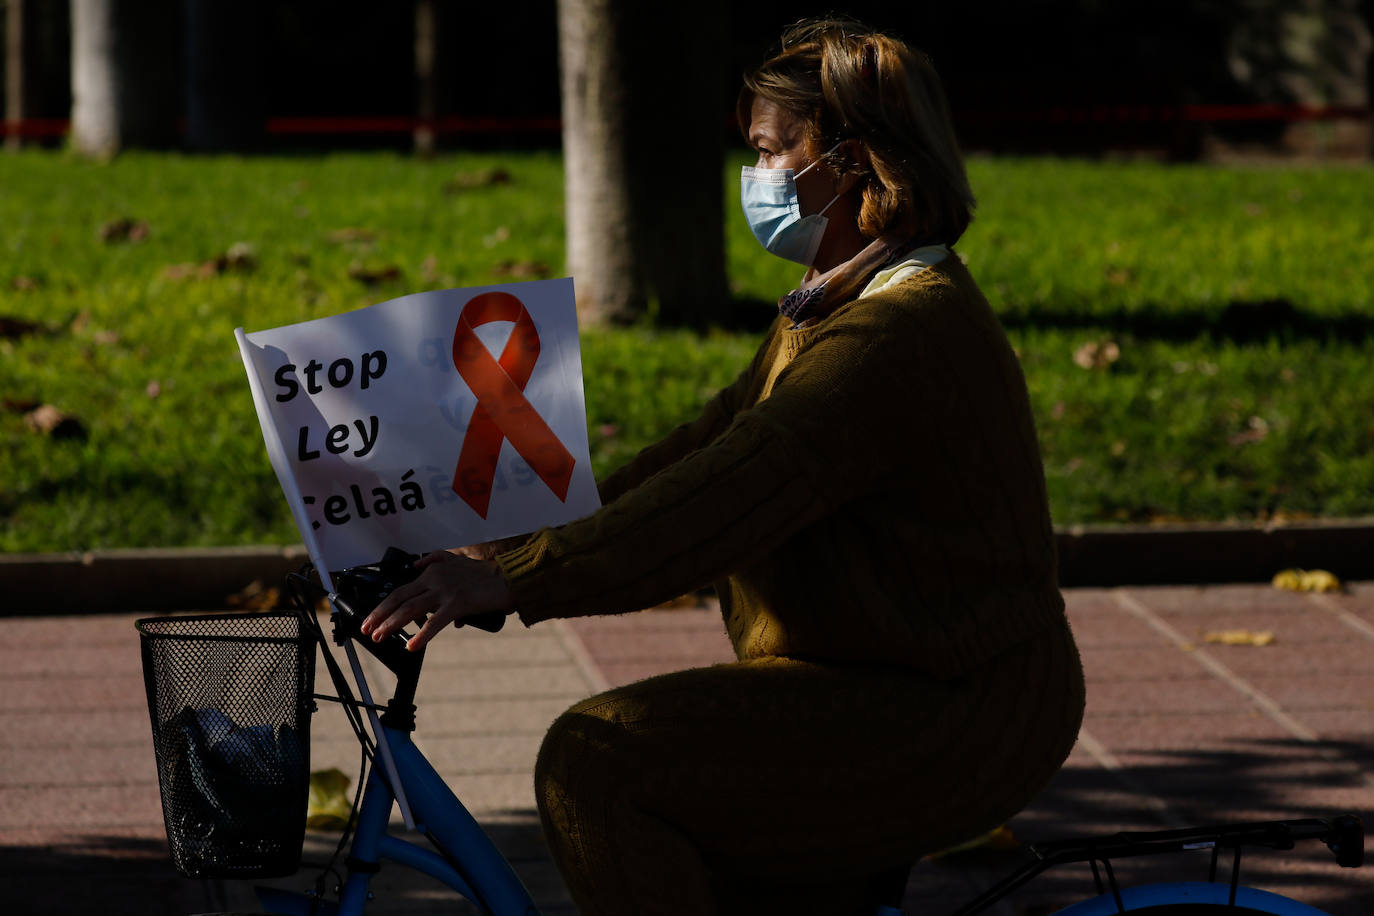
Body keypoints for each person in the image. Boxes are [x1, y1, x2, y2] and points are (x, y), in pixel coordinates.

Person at [363, 17, 1085, 916]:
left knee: (599, 762)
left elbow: (729, 495)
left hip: (956, 710)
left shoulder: (895, 337)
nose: (757, 177)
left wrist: (519, 578)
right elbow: (706, 446)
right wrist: (519, 539)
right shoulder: (839, 294)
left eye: (773, 151)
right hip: (887, 680)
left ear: (852, 162)